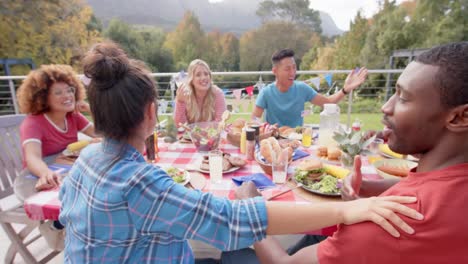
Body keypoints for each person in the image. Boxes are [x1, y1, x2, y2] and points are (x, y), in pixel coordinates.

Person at [58, 41, 423, 263]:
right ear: (152, 113)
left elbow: (69, 209)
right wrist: (347, 208)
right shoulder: (143, 182)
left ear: (93, 109)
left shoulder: (87, 159)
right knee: (238, 249)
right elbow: (231, 222)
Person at [250, 42, 468, 263]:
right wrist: (368, 187)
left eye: (403, 97)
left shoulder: (392, 222)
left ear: (460, 117)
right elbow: (425, 186)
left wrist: (251, 209)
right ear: (275, 70)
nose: (385, 107)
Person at [14, 64, 96, 200]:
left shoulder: (72, 115)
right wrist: (45, 173)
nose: (68, 96)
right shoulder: (33, 123)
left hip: (67, 173)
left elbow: (102, 134)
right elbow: (32, 157)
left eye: (70, 90)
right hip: (40, 180)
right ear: (43, 98)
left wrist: (92, 110)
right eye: (58, 92)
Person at [252, 49, 368, 127]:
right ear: (275, 71)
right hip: (274, 141)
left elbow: (328, 102)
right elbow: (254, 120)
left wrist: (345, 89)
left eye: (294, 67)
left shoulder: (302, 88)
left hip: (297, 141)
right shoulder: (266, 93)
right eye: (287, 69)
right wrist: (265, 129)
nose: (292, 73)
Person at [173, 59, 226, 126]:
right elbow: (179, 125)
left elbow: (220, 123)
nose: (203, 77)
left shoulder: (217, 93)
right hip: (190, 136)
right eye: (198, 75)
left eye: (206, 74)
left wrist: (200, 131)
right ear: (191, 79)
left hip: (213, 135)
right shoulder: (185, 95)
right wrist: (180, 102)